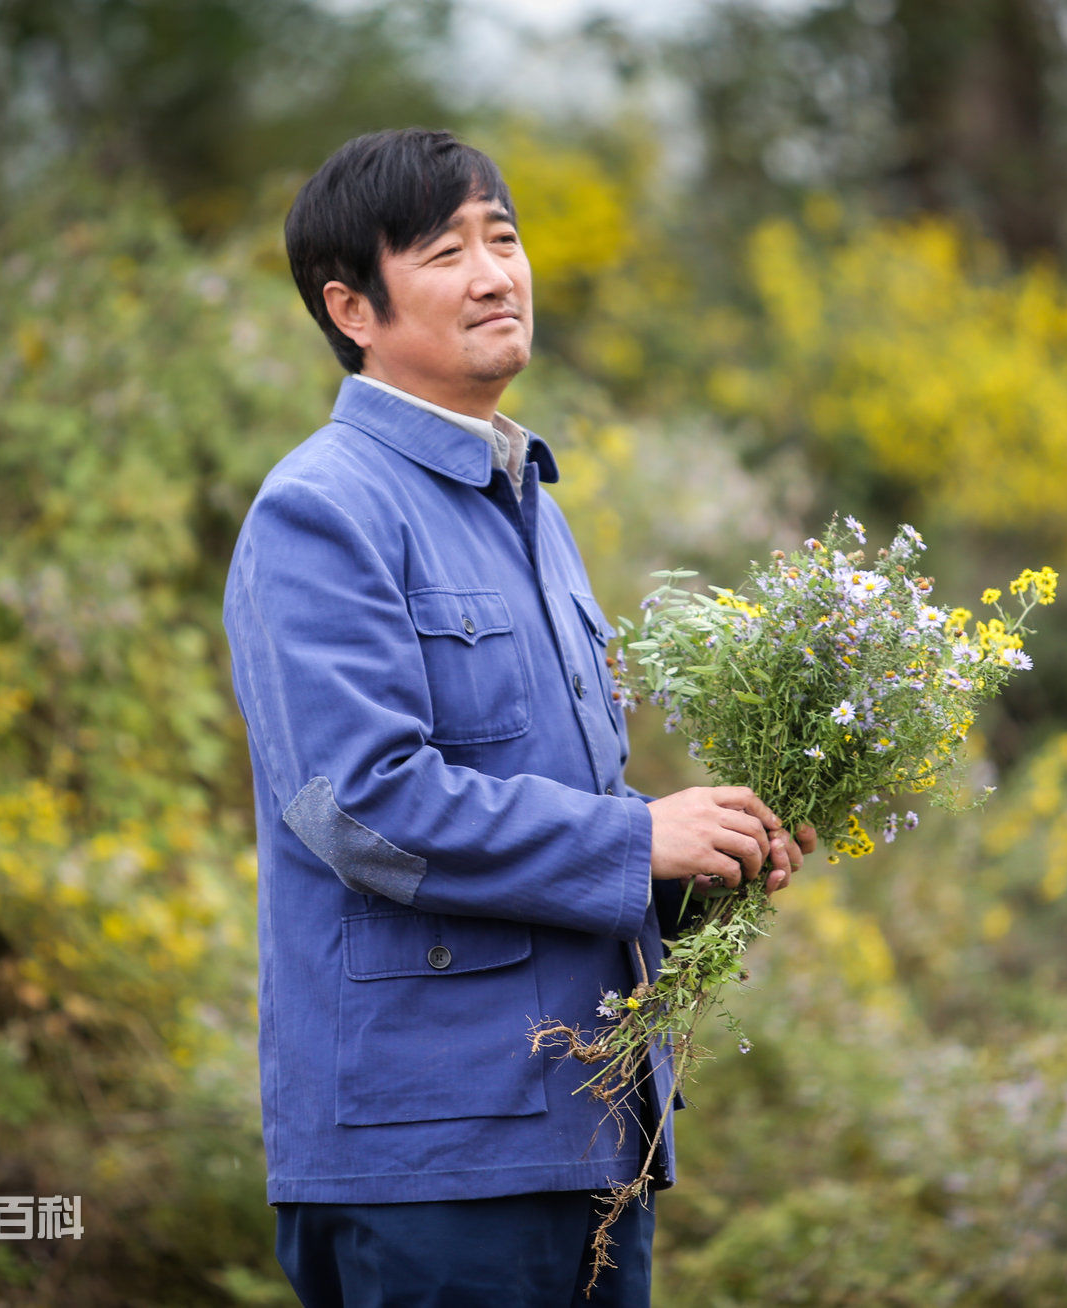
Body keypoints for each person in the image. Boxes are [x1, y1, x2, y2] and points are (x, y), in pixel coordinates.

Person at [221, 127, 817, 1308]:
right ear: (353, 308)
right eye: (446, 251)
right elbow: (363, 807)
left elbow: (546, 812)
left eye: (505, 236)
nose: (497, 272)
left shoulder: (530, 505)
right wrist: (633, 839)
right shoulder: (323, 511)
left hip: (586, 1130)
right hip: (433, 1160)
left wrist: (696, 864)